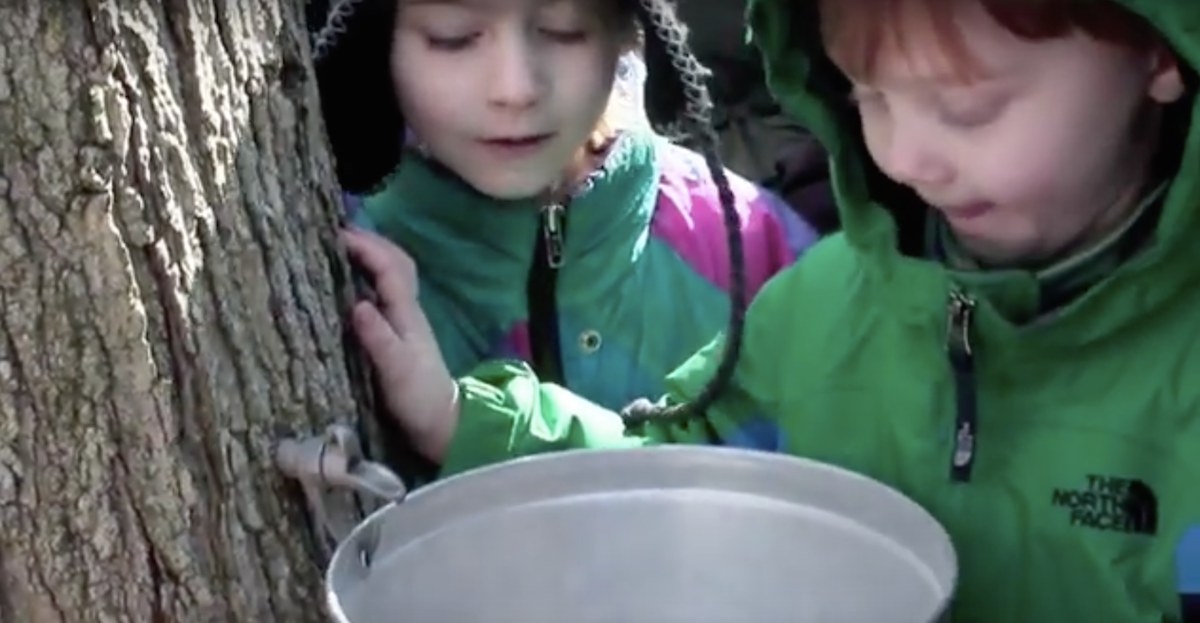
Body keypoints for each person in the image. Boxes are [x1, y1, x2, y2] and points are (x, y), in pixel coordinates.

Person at [341, 0, 1199, 619]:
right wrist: (467, 420)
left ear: (1160, 50)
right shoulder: (822, 306)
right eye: (869, 96)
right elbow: (665, 481)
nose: (906, 155)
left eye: (965, 107)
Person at [311, 0, 817, 416]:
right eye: (454, 36)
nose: (516, 89)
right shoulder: (334, 260)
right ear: (377, 42)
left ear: (628, 32)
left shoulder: (751, 246)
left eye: (563, 29)